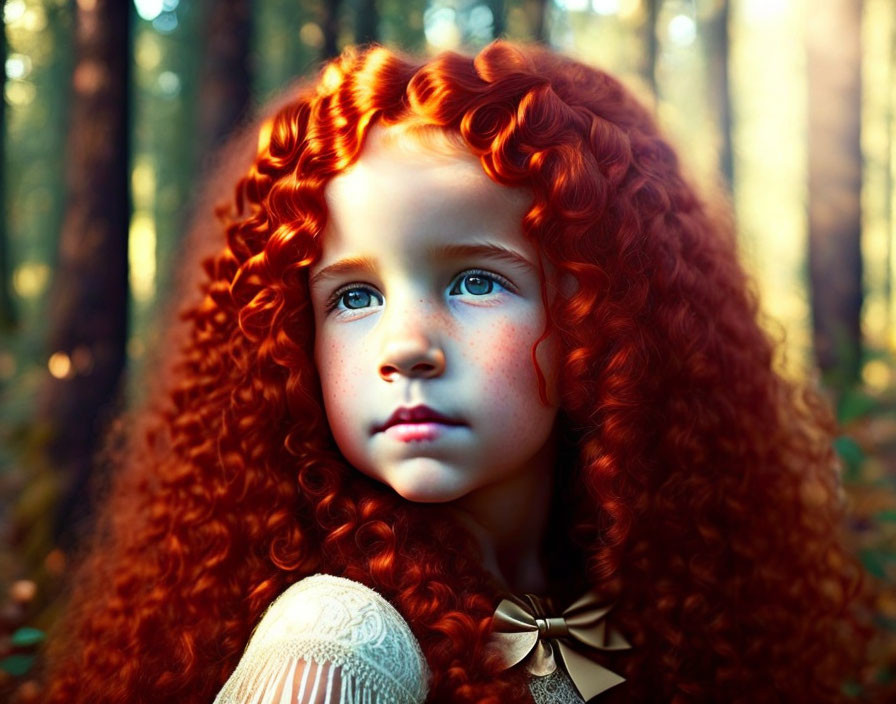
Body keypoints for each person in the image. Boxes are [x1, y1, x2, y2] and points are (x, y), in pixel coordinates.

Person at [42, 41, 868, 703]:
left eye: (477, 281)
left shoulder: (598, 618)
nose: (406, 345)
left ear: (597, 319)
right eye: (354, 295)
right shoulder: (337, 644)